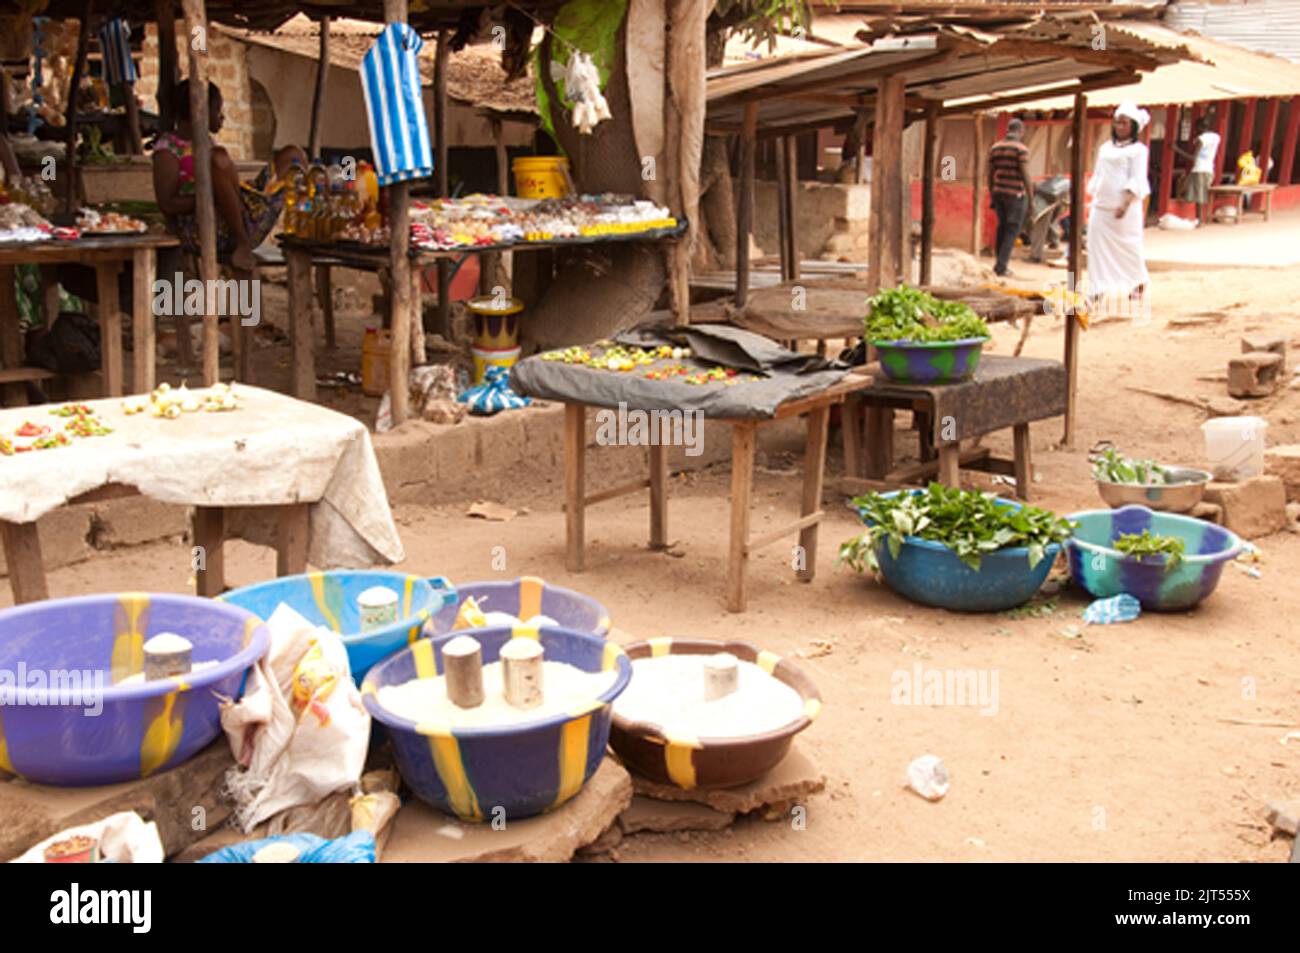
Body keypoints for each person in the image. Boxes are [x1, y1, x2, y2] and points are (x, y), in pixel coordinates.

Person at [152, 80, 306, 270]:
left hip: (240, 217)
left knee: (292, 155)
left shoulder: (206, 142)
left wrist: (227, 196)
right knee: (218, 158)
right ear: (199, 110)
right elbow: (167, 204)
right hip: (203, 230)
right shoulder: (167, 150)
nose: (222, 117)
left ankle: (310, 226)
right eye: (217, 110)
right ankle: (242, 242)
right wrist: (211, 198)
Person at [1086, 102, 1151, 319]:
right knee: (1096, 249)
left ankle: (1138, 281)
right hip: (1101, 208)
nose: (1120, 127)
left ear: (1133, 127)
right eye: (1117, 122)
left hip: (1125, 210)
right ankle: (1096, 288)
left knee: (1129, 247)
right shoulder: (1105, 148)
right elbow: (1098, 174)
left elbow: (1137, 179)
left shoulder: (1139, 151)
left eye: (1124, 123)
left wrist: (1125, 204)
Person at [986, 117, 1034, 277]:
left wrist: (992, 193)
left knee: (1002, 227)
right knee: (1012, 230)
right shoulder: (1021, 149)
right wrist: (1031, 199)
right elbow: (1025, 174)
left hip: (999, 192)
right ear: (1021, 131)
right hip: (1015, 194)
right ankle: (1001, 266)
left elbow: (990, 173)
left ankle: (999, 263)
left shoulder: (995, 147)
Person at [1174, 116, 1219, 225]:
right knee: (1191, 190)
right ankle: (1199, 218)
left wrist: (1176, 149)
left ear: (1199, 127)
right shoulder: (1216, 137)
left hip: (1200, 169)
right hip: (1209, 169)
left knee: (1198, 195)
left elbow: (1193, 158)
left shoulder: (1201, 139)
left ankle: (1200, 220)